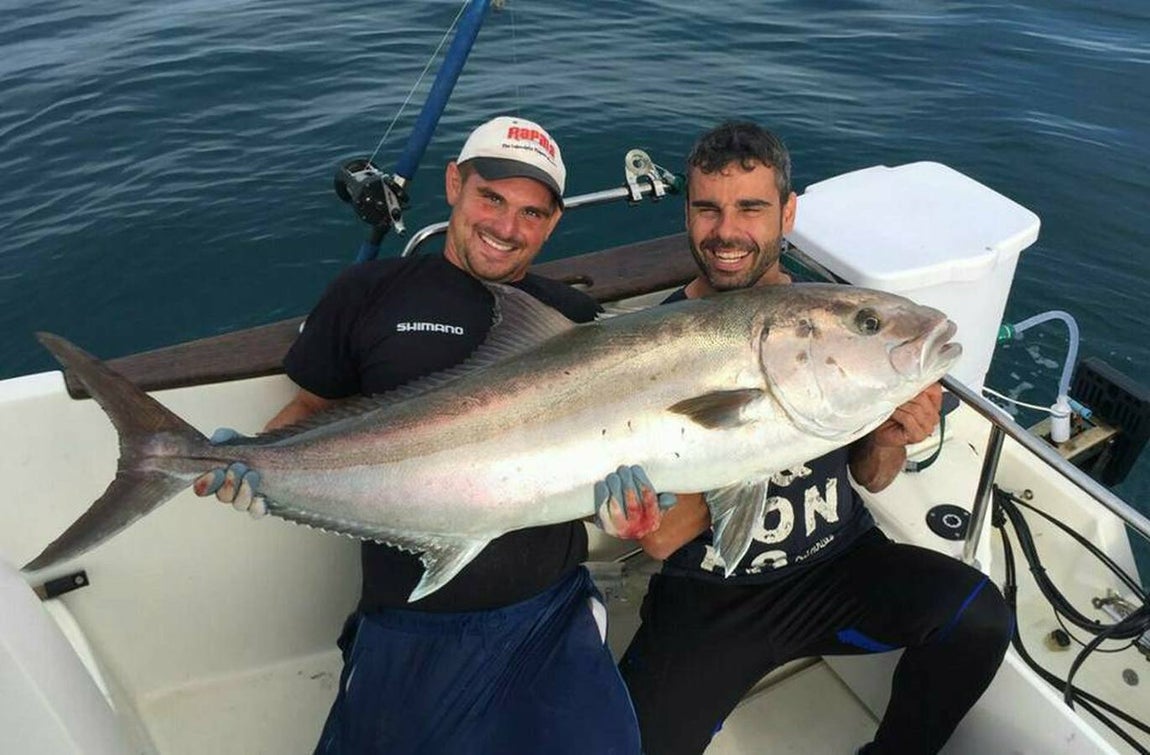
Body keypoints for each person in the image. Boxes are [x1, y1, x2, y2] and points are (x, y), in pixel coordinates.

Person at [194, 115, 658, 755]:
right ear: (453, 185)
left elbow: (606, 448)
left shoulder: (573, 320)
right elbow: (306, 411)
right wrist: (253, 467)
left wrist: (630, 516)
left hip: (550, 611)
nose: (505, 227)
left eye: (530, 213)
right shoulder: (366, 294)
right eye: (490, 198)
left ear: (551, 223)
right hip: (409, 615)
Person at [616, 121, 1013, 755]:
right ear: (687, 214)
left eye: (752, 208)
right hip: (714, 591)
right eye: (707, 209)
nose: (727, 232)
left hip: (838, 563)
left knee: (977, 616)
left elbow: (873, 476)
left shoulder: (829, 324)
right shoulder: (654, 342)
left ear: (788, 212)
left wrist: (892, 436)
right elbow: (664, 540)